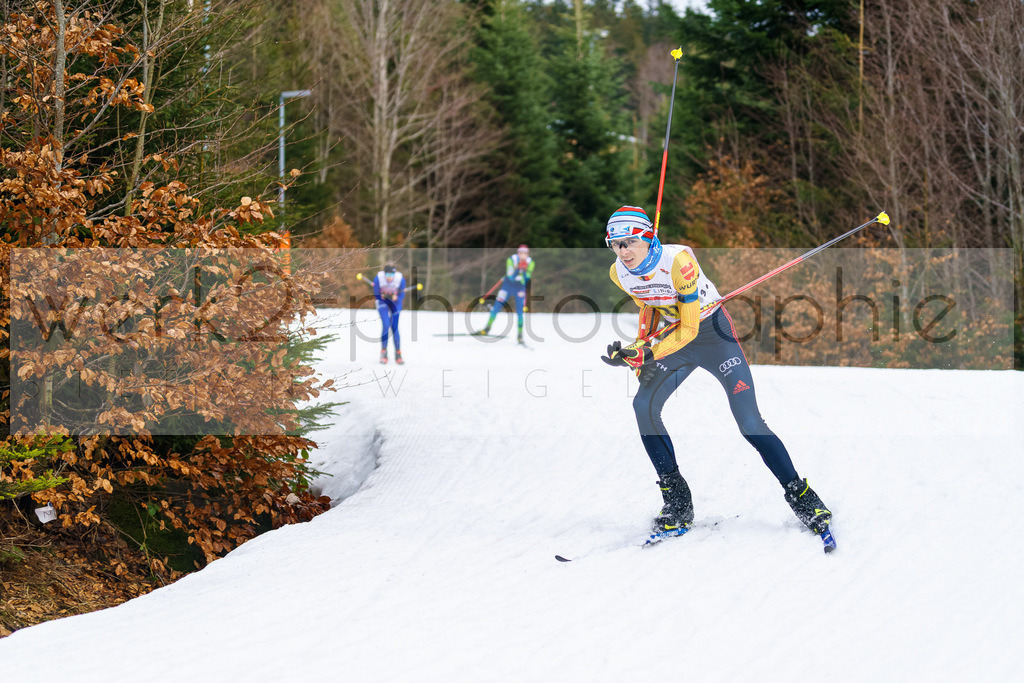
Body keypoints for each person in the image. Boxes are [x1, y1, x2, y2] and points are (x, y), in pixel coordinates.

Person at [599, 205, 832, 538]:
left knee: (750, 423)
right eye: (615, 244)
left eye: (629, 242)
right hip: (674, 341)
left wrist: (648, 352)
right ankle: (678, 503)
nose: (623, 252)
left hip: (713, 336)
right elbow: (648, 307)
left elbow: (691, 328)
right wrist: (638, 351)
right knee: (643, 406)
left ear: (648, 237)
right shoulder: (618, 273)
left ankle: (802, 496)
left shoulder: (679, 262)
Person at [476, 244, 534, 343]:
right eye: (521, 253)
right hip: (507, 286)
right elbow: (510, 277)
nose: (523, 255)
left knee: (520, 311)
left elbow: (526, 280)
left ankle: (520, 335)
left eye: (525, 253)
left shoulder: (531, 262)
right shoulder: (511, 260)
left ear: (527, 254)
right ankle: (487, 328)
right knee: (496, 307)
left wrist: (523, 270)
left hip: (519, 288)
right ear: (518, 253)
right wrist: (518, 269)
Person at [373, 264, 405, 365]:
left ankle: (398, 353)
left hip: (395, 304)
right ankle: (384, 352)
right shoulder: (378, 278)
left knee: (394, 326)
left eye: (392, 274)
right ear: (384, 273)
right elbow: (376, 295)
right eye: (387, 274)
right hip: (383, 303)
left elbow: (401, 295)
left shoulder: (400, 279)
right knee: (386, 325)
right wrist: (383, 296)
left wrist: (396, 297)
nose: (389, 276)